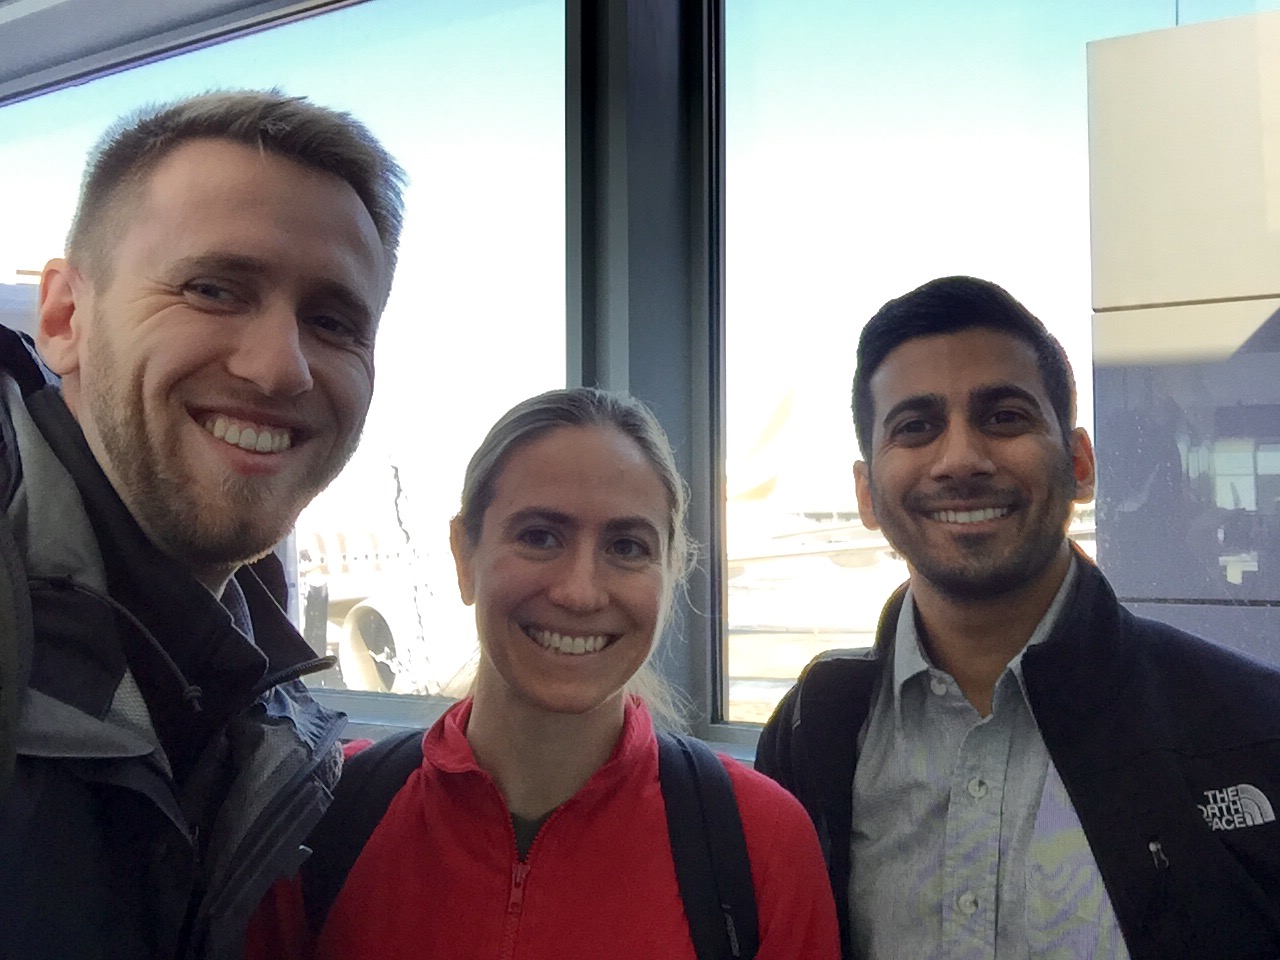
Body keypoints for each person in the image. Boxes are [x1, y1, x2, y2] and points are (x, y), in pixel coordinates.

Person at [755, 276, 1280, 960]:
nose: (961, 459)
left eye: (1004, 417)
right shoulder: (813, 731)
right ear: (867, 493)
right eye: (916, 427)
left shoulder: (1249, 730)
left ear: (1082, 463)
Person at [0, 91, 405, 959]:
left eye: (332, 320)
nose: (278, 368)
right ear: (66, 317)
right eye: (214, 288)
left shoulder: (250, 706)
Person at [248, 386, 840, 959]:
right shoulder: (321, 818)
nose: (580, 592)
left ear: (671, 571)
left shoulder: (760, 844)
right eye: (539, 537)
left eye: (628, 547)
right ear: (464, 557)